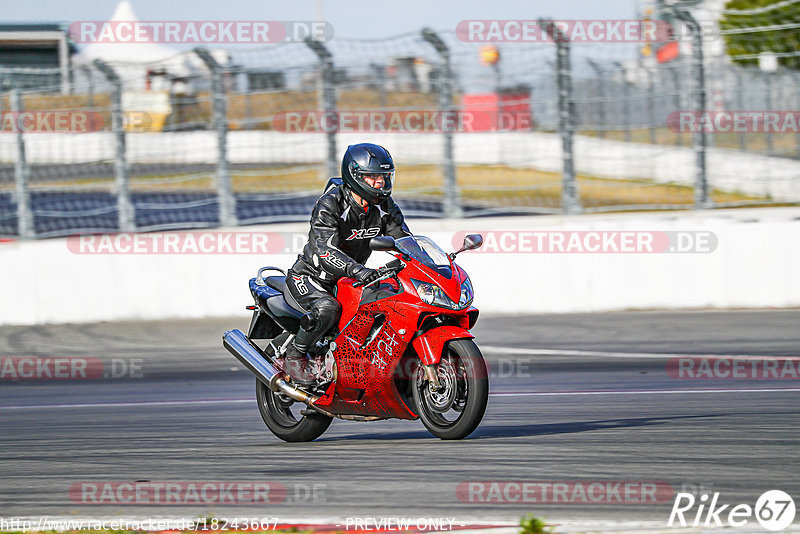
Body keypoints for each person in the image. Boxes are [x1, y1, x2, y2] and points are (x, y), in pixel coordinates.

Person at [283, 143, 411, 385]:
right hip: (311, 278)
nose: (380, 183)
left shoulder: (385, 206)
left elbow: (404, 239)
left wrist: (425, 261)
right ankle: (295, 356)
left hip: (349, 280)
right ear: (354, 176)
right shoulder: (330, 204)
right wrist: (358, 270)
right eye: (372, 177)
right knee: (327, 309)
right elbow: (324, 250)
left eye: (384, 176)